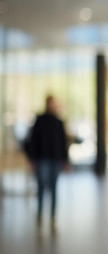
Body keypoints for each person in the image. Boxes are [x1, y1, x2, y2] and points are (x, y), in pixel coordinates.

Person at [26, 94, 69, 228]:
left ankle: (53, 218)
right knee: (41, 188)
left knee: (54, 189)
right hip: (42, 159)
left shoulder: (58, 122)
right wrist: (33, 159)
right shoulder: (39, 121)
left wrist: (65, 160)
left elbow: (63, 142)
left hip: (55, 159)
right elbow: (32, 141)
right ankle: (39, 216)